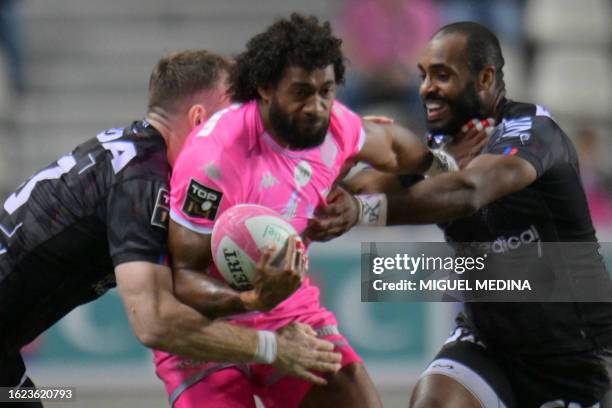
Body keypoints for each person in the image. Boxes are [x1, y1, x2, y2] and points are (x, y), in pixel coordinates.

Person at [156, 13, 486, 408]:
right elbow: (184, 278)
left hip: (287, 309)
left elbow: (395, 147)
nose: (316, 107)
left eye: (326, 91)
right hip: (206, 331)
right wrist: (250, 300)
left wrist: (441, 162)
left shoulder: (334, 127)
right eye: (300, 93)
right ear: (264, 88)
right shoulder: (212, 158)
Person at [0, 49, 343, 407]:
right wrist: (273, 346)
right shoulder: (144, 183)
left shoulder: (133, 157)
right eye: (231, 119)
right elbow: (154, 323)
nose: (242, 135)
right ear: (199, 121)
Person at [308, 22, 612, 408]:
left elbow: (469, 192)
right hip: (489, 343)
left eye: (442, 75)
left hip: (575, 354)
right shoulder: (439, 149)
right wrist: (334, 164)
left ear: (485, 78)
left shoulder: (534, 131)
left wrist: (362, 212)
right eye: (422, 76)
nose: (426, 88)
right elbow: (365, 188)